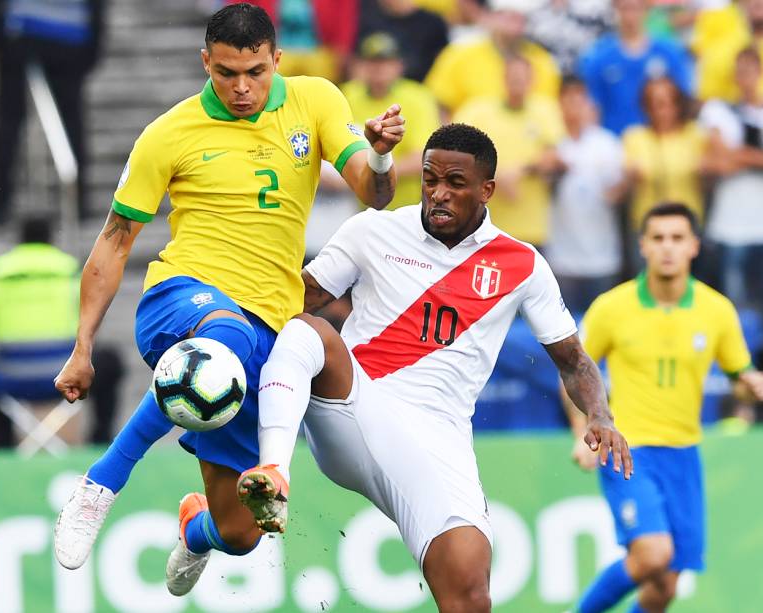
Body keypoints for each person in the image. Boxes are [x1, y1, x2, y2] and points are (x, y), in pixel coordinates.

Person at [50, 2, 405, 598]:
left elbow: (374, 193)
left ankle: (197, 529)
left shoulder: (315, 100)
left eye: (256, 72)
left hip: (266, 334)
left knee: (243, 533)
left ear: (277, 61)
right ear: (205, 63)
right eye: (226, 73)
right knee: (226, 342)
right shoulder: (169, 133)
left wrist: (380, 154)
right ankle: (100, 483)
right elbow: (113, 244)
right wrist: (81, 346)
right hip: (181, 301)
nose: (242, 88)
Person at [235, 123, 633, 613]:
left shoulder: (522, 264)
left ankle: (201, 529)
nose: (438, 194)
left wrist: (600, 415)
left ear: (486, 189)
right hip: (353, 404)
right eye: (429, 179)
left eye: (455, 184)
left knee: (470, 590)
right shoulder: (373, 230)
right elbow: (294, 300)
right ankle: (273, 471)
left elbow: (573, 361)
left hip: (438, 436)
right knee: (307, 330)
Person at [568, 202, 763, 613]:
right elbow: (572, 372)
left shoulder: (716, 311)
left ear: (693, 246)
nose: (667, 248)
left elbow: (738, 379)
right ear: (643, 246)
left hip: (684, 454)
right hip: (627, 450)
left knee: (665, 588)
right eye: (658, 238)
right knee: (652, 555)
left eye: (677, 238)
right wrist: (581, 433)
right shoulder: (612, 307)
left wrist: (751, 385)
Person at [0, 217, 124, 448]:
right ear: (51, 239)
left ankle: (2, 445)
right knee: (110, 361)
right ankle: (100, 440)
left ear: (19, 240)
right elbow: (91, 317)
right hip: (65, 371)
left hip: (10, 376)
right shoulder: (71, 269)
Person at [0, 0, 105, 225]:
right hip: (69, 35)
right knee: (71, 123)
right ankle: (78, 200)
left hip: (21, 32)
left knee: (9, 120)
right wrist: (94, 40)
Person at [454, 54, 564, 249]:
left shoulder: (545, 109)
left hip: (531, 228)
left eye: (522, 78)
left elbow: (553, 157)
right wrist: (494, 176)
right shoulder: (477, 110)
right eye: (513, 78)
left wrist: (520, 170)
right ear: (503, 78)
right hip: (482, 228)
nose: (517, 83)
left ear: (532, 81)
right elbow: (456, 153)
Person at [547, 75, 625, 314]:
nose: (574, 106)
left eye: (579, 99)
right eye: (567, 99)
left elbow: (618, 194)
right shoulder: (550, 144)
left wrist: (624, 184)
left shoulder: (607, 144)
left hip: (602, 256)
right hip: (561, 257)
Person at [342, 32, 440, 209]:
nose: (379, 69)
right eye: (372, 62)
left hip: (407, 207)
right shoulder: (347, 94)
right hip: (357, 208)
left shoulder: (418, 97)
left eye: (386, 62)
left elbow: (425, 156)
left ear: (399, 65)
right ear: (360, 65)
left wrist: (372, 173)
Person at [699, 47, 763, 311]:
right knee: (734, 308)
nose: (744, 77)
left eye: (750, 70)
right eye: (740, 71)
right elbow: (716, 163)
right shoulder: (718, 110)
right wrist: (754, 157)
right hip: (729, 224)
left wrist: (738, 156)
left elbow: (727, 158)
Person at [424, 0, 560, 116]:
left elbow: (547, 111)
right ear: (492, 17)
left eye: (520, 19)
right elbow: (438, 104)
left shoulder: (542, 61)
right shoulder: (460, 53)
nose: (513, 28)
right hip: (466, 142)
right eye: (507, 18)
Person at [577, 0, 693, 135]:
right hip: (616, 138)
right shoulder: (599, 57)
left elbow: (684, 97)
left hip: (660, 141)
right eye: (625, 8)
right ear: (615, 10)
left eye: (635, 7)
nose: (630, 15)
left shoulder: (669, 52)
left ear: (646, 10)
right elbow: (591, 106)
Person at [620, 77, 709, 243]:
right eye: (654, 103)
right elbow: (626, 180)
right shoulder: (634, 136)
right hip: (647, 226)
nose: (662, 110)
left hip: (687, 225)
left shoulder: (695, 134)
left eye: (668, 102)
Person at [358, 0, 450, 82]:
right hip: (377, 90)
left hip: (422, 88)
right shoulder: (369, 20)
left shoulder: (433, 23)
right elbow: (358, 63)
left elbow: (443, 62)